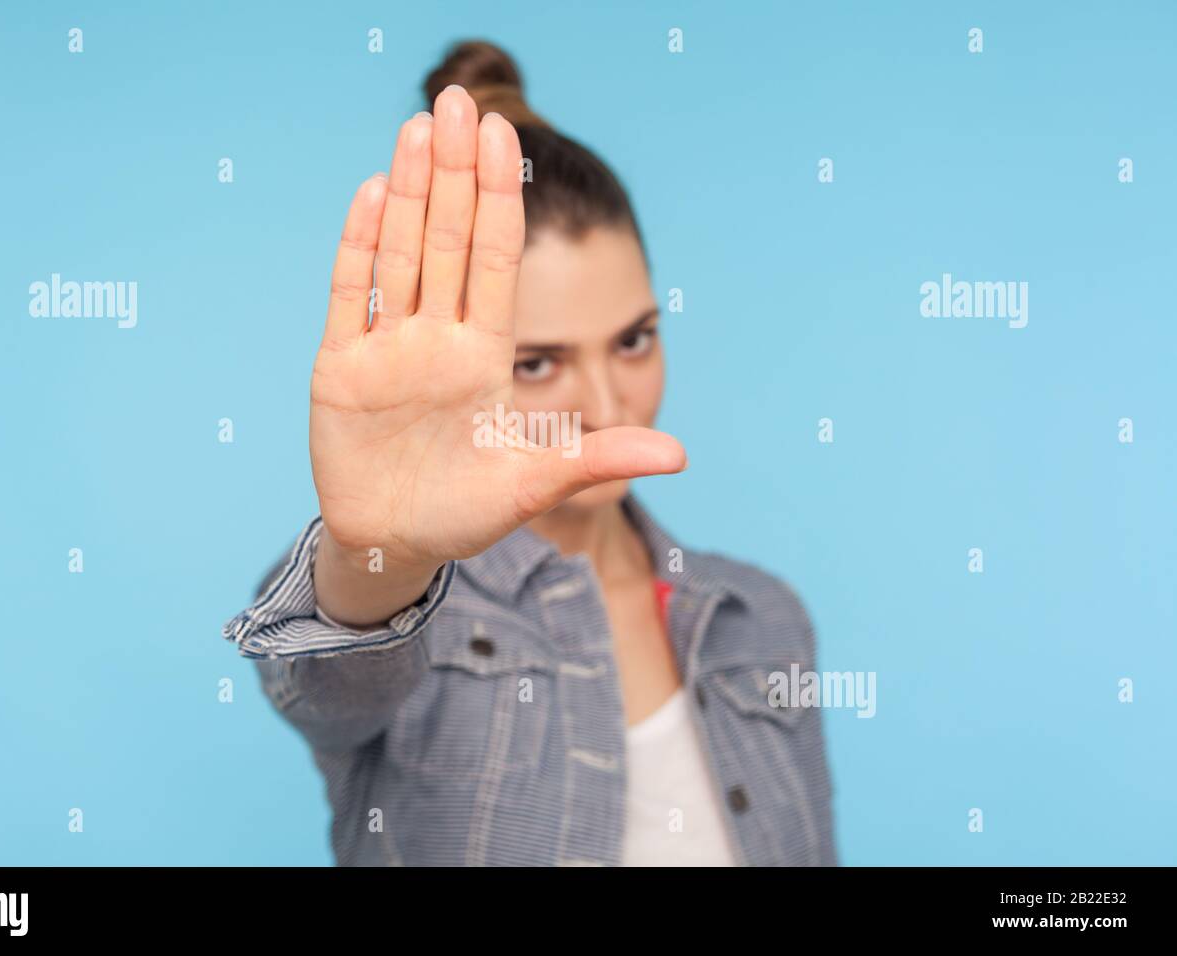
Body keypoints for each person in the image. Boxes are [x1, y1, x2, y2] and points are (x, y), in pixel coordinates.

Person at [223, 40, 837, 866]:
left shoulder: (761, 619)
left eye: (633, 340)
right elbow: (320, 680)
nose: (608, 407)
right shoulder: (412, 618)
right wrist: (381, 555)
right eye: (538, 363)